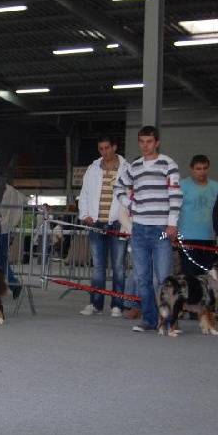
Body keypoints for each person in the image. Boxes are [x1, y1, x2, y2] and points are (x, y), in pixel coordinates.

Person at [114, 125, 182, 333]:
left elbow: (175, 195)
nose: (145, 146)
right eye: (142, 142)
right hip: (139, 228)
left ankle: (169, 322)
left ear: (157, 142)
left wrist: (172, 223)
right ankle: (149, 320)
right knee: (142, 278)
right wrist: (130, 204)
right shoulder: (135, 166)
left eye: (149, 142)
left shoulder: (168, 164)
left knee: (164, 278)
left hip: (161, 228)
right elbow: (118, 186)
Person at [77, 135, 131, 318]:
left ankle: (117, 305)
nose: (104, 152)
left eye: (107, 148)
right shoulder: (92, 169)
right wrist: (85, 215)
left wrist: (128, 220)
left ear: (114, 147)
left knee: (119, 267)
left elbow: (131, 195)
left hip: (118, 223)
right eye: (101, 148)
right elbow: (84, 194)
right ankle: (95, 303)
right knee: (98, 266)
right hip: (96, 223)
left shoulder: (127, 168)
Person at [177, 155, 218, 276]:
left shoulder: (216, 187)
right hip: (187, 238)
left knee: (208, 276)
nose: (202, 172)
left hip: (209, 237)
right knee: (190, 276)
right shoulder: (181, 186)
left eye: (205, 168)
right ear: (191, 169)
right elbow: (173, 210)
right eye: (198, 168)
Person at [0, 184, 25, 300]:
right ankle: (13, 283)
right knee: (1, 259)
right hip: (6, 229)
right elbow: (24, 200)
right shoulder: (12, 190)